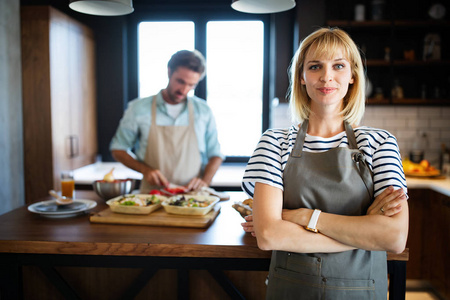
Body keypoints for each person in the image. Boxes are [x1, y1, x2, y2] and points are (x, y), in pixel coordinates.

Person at [241, 28, 408, 299]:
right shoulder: (274, 142)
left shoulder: (380, 143)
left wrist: (304, 216)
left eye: (338, 66)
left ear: (353, 75)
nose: (326, 76)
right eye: (315, 66)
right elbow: (270, 235)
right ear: (302, 77)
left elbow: (394, 238)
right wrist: (364, 230)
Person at [110, 50, 224, 193]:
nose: (184, 90)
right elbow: (118, 149)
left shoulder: (203, 111)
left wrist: (205, 181)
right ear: (169, 72)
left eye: (191, 85)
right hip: (152, 197)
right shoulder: (138, 109)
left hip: (194, 198)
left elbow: (216, 155)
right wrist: (146, 170)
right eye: (180, 81)